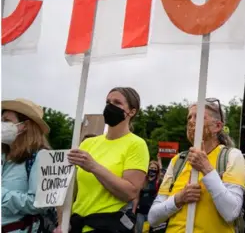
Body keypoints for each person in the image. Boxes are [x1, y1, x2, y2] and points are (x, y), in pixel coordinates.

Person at [148, 98, 245, 233]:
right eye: (189, 117)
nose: (191, 121)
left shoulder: (232, 156)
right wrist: (179, 199)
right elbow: (153, 218)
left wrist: (206, 169)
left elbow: (231, 212)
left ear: (217, 126)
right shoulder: (178, 160)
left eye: (198, 117)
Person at [66, 87, 150, 233]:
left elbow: (130, 192)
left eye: (117, 103)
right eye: (107, 102)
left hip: (108, 226)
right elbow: (71, 188)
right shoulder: (88, 143)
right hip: (77, 225)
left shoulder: (136, 144)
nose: (110, 106)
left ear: (132, 111)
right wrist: (62, 220)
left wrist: (93, 167)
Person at [1, 99, 54, 233]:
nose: (2, 125)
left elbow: (40, 203)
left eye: (6, 121)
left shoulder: (41, 156)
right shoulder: (4, 155)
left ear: (25, 125)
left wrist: (3, 196)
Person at [134, 160, 163, 233]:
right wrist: (134, 209)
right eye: (151, 168)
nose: (153, 170)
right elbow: (137, 196)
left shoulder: (158, 181)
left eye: (155, 169)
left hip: (151, 212)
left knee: (150, 230)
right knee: (139, 230)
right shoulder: (143, 180)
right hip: (140, 211)